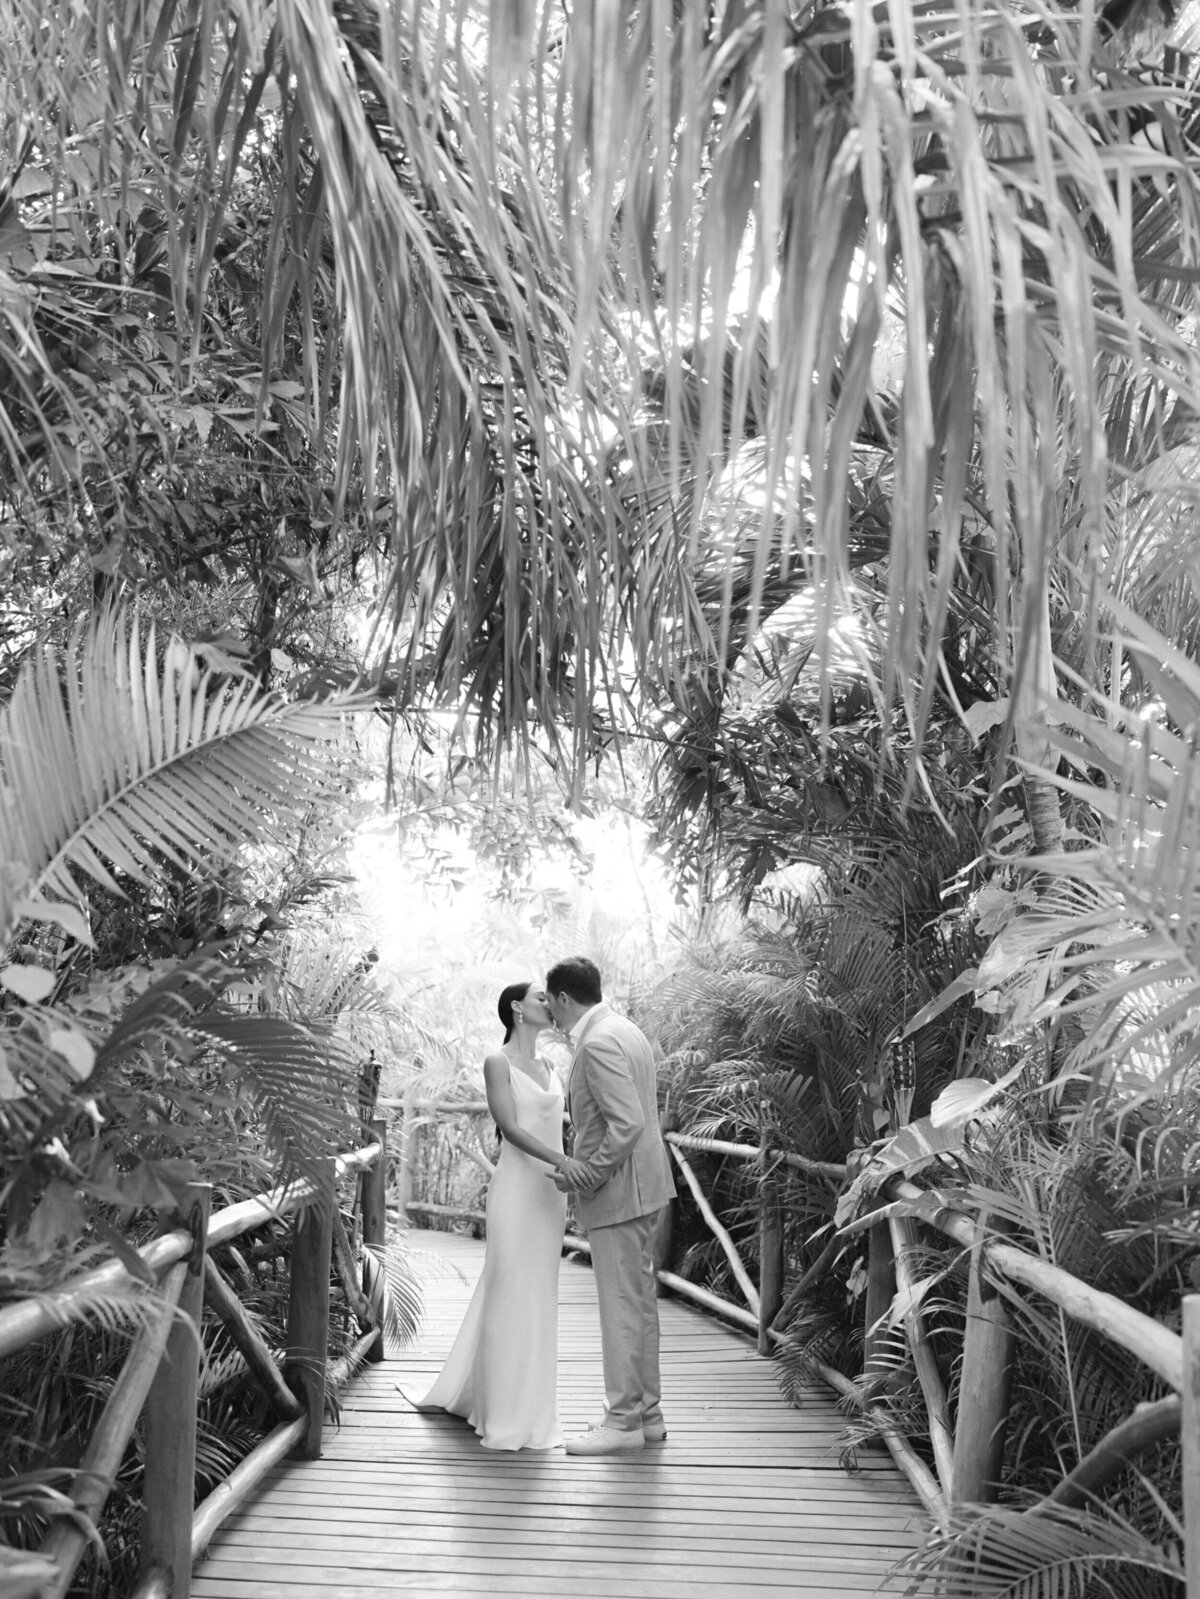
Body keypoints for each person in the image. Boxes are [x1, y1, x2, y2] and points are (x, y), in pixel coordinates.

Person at [403, 981, 569, 1450]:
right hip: (517, 1191)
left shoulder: (552, 1064)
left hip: (551, 1197)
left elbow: (559, 1125)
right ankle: (499, 1411)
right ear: (517, 1008)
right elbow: (511, 1129)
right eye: (541, 997)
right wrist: (563, 1162)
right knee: (508, 1289)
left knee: (538, 1297)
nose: (549, 1003)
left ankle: (532, 1410)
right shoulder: (499, 1062)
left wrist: (575, 1167)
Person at [546, 955, 676, 1457]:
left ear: (562, 998)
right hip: (645, 1187)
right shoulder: (627, 1030)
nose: (554, 1019)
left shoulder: (597, 1043)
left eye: (554, 1007)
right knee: (639, 1305)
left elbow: (626, 1123)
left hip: (620, 1191)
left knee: (621, 1307)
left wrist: (587, 1173)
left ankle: (621, 1420)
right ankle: (648, 1415)